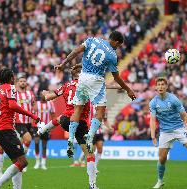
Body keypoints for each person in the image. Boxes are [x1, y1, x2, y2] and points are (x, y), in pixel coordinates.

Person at [55, 31, 136, 166]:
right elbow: (116, 77)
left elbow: (76, 51)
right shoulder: (112, 55)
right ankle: (90, 136)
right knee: (100, 111)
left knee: (77, 109)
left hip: (83, 77)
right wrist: (128, 89)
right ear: (116, 42)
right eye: (118, 45)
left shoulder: (93, 40)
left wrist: (63, 64)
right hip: (96, 80)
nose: (117, 48)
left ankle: (70, 138)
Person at [38, 65, 98, 187]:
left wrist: (44, 94)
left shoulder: (66, 85)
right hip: (80, 123)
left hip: (67, 120)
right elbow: (103, 87)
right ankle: (92, 184)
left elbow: (49, 97)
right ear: (80, 74)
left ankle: (43, 129)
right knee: (90, 155)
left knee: (60, 118)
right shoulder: (86, 85)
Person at [149, 77, 187, 188]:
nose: (160, 87)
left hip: (179, 128)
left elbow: (184, 115)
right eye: (158, 85)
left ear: (166, 86)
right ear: (155, 87)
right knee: (162, 159)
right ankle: (160, 180)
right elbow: (153, 120)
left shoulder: (173, 99)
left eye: (163, 84)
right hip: (165, 132)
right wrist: (153, 136)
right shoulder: (153, 102)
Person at [0, 68, 39, 189]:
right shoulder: (11, 88)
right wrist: (31, 115)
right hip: (6, 129)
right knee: (23, 162)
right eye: (13, 77)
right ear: (11, 78)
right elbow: (12, 105)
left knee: (17, 163)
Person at [15, 73, 37, 171]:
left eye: (24, 81)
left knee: (22, 143)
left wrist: (34, 110)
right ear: (17, 83)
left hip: (28, 122)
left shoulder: (30, 94)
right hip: (18, 121)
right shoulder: (14, 94)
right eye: (21, 81)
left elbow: (34, 105)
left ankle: (20, 162)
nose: (23, 83)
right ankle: (22, 161)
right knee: (28, 139)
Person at [33, 93, 55, 170]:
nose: (44, 95)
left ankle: (43, 163)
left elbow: (53, 115)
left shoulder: (50, 104)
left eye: (45, 94)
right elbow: (32, 113)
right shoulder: (37, 104)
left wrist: (52, 126)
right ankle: (37, 162)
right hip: (37, 126)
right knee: (36, 143)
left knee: (44, 146)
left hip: (46, 126)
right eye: (42, 93)